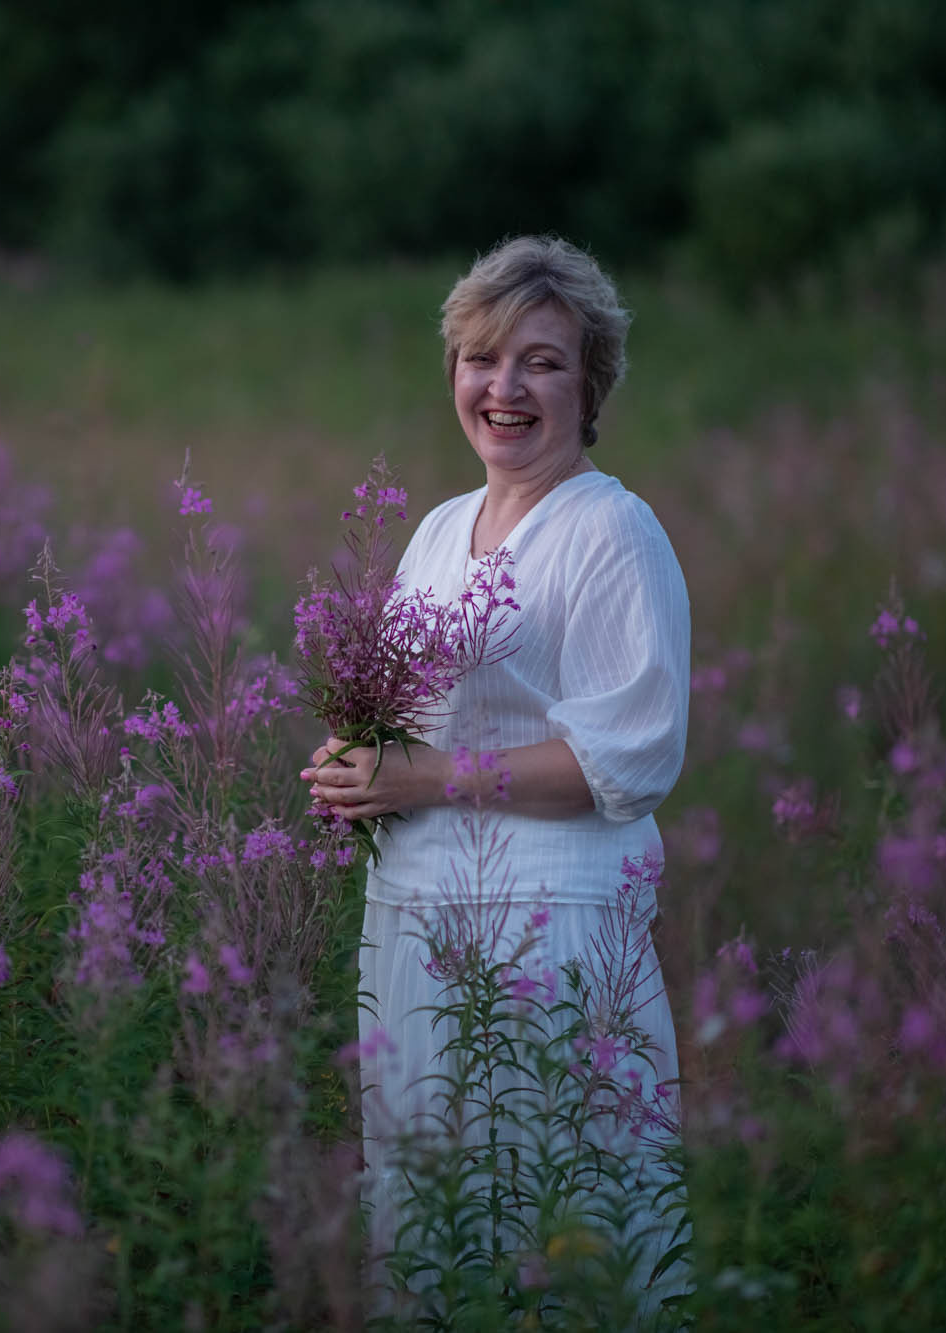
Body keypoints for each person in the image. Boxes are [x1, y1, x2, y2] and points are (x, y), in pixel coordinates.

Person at [298, 235, 691, 1317]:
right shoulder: (433, 533)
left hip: (549, 936)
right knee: (434, 1224)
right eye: (480, 358)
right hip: (418, 928)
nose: (502, 388)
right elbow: (414, 728)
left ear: (588, 383)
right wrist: (356, 771)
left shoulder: (611, 531)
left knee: (557, 1224)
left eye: (541, 362)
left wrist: (416, 779)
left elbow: (629, 757)